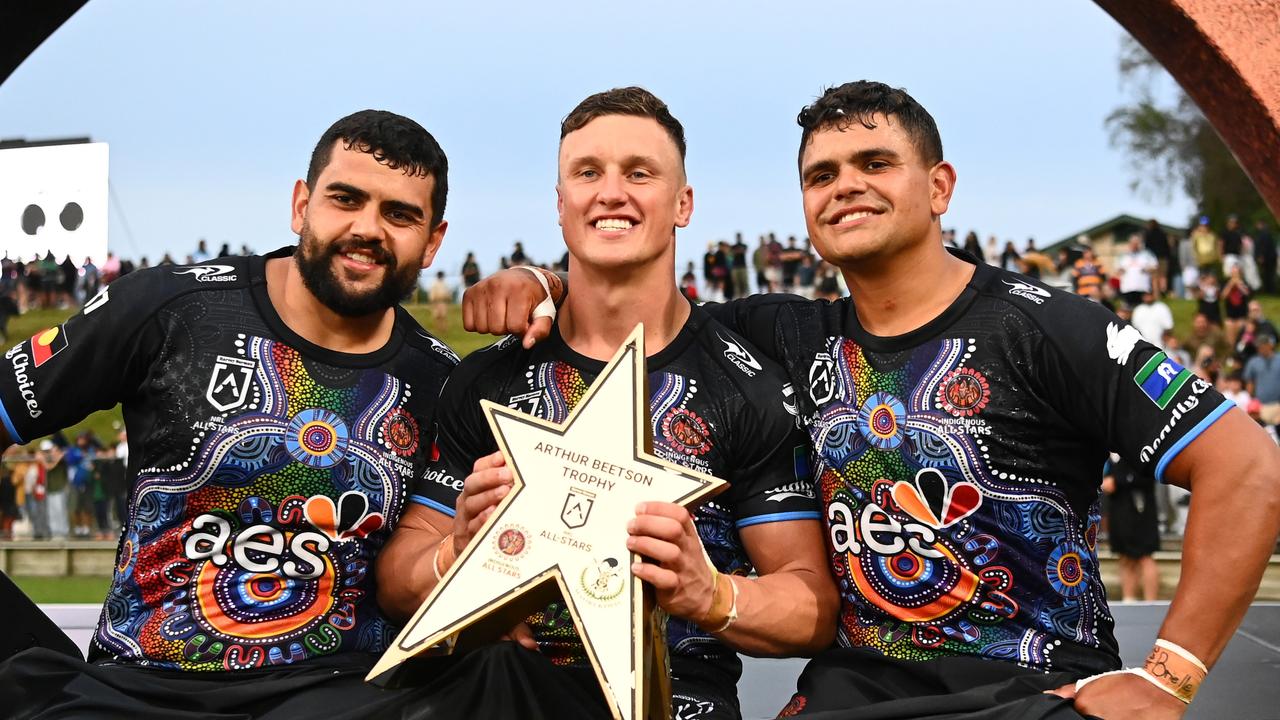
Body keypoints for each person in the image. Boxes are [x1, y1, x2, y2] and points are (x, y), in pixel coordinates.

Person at [469, 80, 1280, 719]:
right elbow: (637, 303)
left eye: (874, 164)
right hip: (851, 694)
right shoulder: (781, 335)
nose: (845, 187)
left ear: (939, 186)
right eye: (821, 175)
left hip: (1031, 691)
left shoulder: (1050, 328)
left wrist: (1169, 677)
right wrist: (539, 278)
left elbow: (1247, 465)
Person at [380, 87, 836, 720]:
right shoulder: (487, 378)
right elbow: (398, 575)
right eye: (587, 172)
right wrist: (456, 554)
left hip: (675, 700)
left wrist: (711, 595)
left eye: (639, 173)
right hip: (501, 691)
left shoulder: (747, 383)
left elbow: (811, 603)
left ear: (683, 204)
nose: (611, 192)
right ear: (560, 203)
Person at [0, 109, 460, 718]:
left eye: (400, 214)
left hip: (337, 695)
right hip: (134, 688)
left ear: (433, 242)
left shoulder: (444, 381)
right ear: (301, 205)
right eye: (345, 198)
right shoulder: (167, 305)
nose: (367, 228)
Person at [1102, 455, 1161, 602]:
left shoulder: (1140, 450)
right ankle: (1128, 599)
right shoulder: (1111, 456)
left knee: (1145, 556)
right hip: (1119, 511)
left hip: (1140, 510)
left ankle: (1151, 602)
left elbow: (1146, 477)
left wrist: (1117, 481)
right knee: (1125, 556)